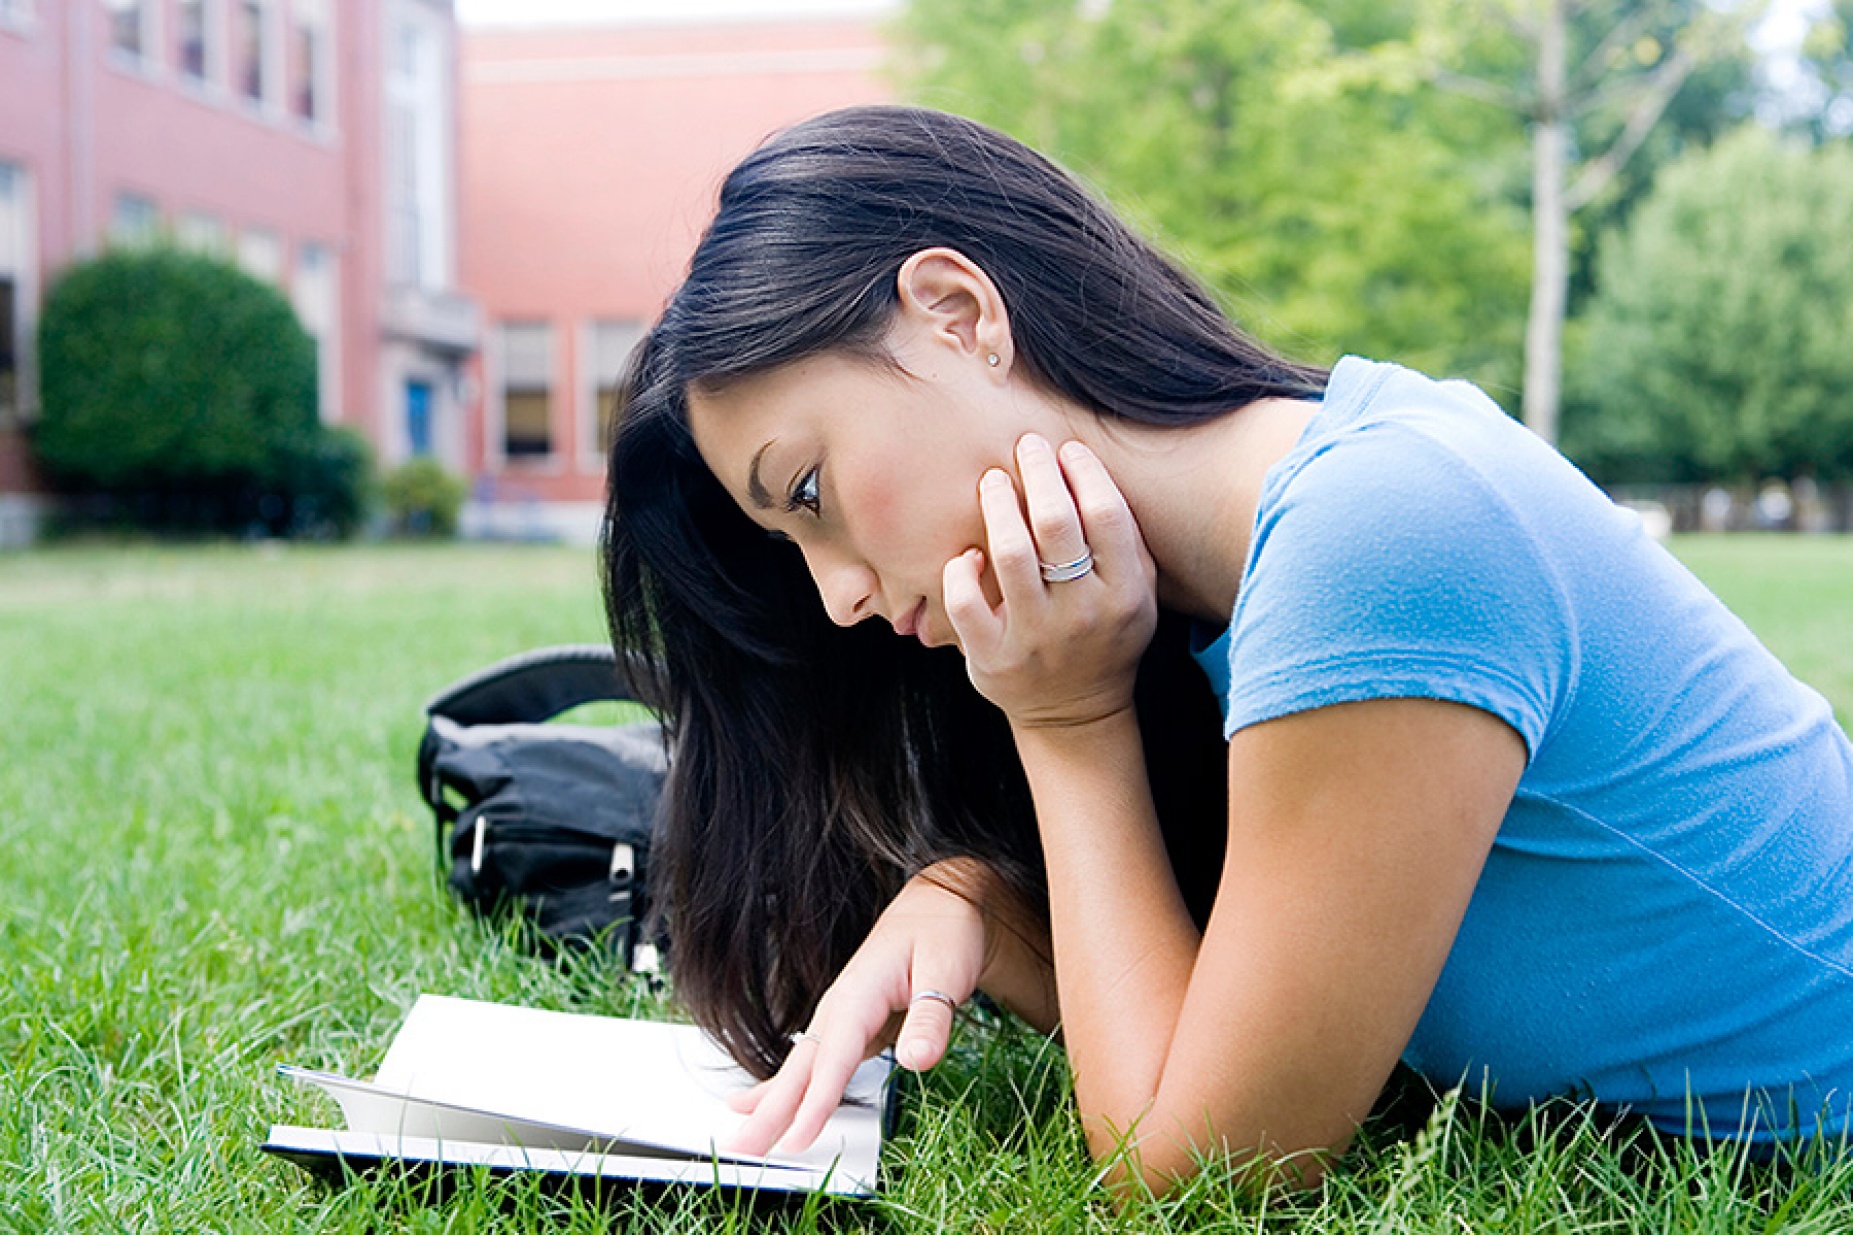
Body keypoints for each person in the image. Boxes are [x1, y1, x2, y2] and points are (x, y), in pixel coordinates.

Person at [601, 105, 1853, 1192]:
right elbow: (1225, 1023)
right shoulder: (1223, 584)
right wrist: (973, 895)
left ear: (955, 312)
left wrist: (1066, 723)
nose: (835, 598)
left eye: (808, 491)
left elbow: (1194, 1175)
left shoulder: (1373, 538)